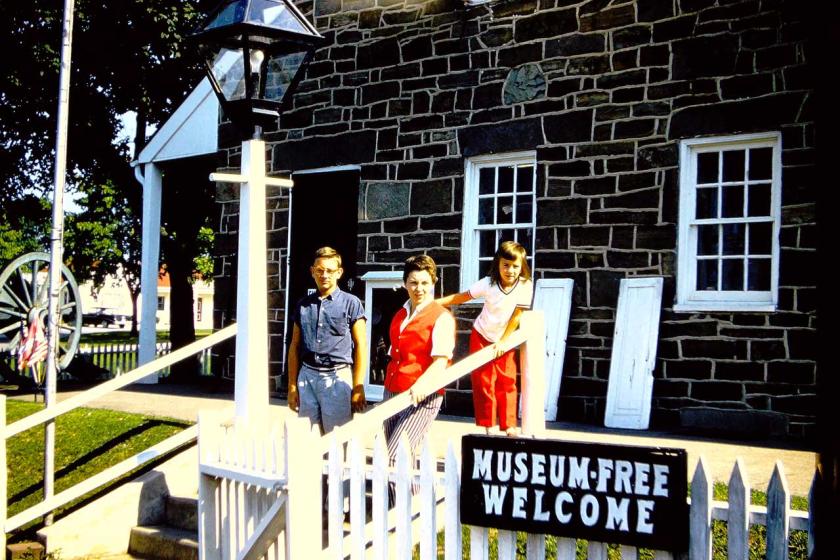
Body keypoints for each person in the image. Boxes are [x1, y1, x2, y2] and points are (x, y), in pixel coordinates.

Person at [437, 241, 533, 437]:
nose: (510, 270)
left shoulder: (525, 285)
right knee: (484, 381)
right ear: (498, 264)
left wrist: (504, 342)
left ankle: (509, 426)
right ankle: (489, 425)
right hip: (481, 334)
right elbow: (462, 297)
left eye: (515, 266)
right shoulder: (488, 283)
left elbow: (517, 315)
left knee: (507, 382)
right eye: (506, 265)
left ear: (521, 266)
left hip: (505, 337)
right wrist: (435, 303)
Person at [383, 254, 455, 498]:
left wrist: (422, 386)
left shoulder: (441, 317)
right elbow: (395, 352)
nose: (419, 288)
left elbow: (441, 361)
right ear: (405, 283)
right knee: (403, 458)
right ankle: (406, 517)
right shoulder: (400, 314)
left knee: (396, 456)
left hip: (423, 395)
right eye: (413, 282)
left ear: (433, 283)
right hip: (393, 390)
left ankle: (407, 516)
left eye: (424, 283)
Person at [287, 247, 367, 433]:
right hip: (307, 377)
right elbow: (294, 346)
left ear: (339, 273)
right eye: (320, 270)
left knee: (337, 440)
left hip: (336, 378)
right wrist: (292, 387)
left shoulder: (351, 303)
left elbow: (361, 345)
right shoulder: (303, 305)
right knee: (307, 437)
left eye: (330, 271)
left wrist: (358, 386)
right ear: (312, 271)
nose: (325, 275)